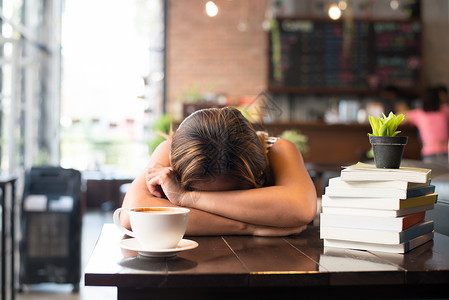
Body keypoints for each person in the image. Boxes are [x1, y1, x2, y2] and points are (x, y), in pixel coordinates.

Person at [121, 107, 317, 236]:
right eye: (202, 192)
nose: (216, 202)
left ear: (257, 173)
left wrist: (187, 199)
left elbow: (302, 209)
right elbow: (132, 216)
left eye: (233, 193)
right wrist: (250, 226)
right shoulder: (170, 152)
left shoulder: (278, 151)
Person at [402, 87, 449, 162]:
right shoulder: (445, 110)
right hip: (446, 152)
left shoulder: (419, 114)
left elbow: (398, 118)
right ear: (438, 99)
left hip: (429, 152)